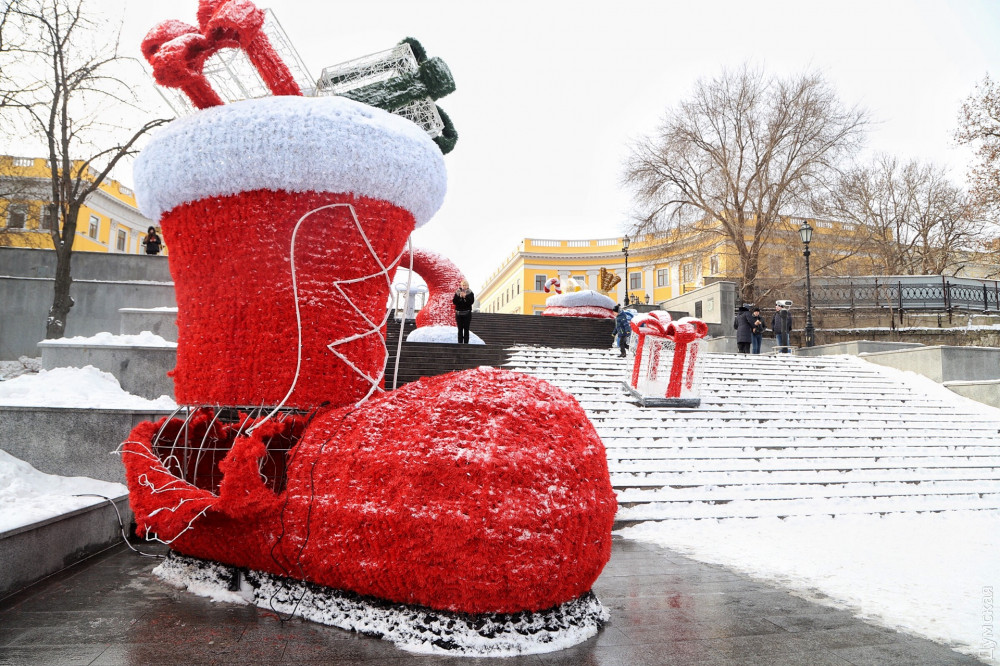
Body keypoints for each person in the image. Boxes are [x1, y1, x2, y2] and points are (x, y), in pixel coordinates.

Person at [452, 279, 474, 344]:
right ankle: (460, 343)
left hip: (467, 313)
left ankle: (466, 343)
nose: (464, 286)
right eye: (463, 285)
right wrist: (459, 297)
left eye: (465, 285)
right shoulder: (457, 292)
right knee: (460, 329)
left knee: (466, 329)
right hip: (458, 313)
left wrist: (465, 297)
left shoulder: (470, 293)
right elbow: (454, 302)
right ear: (461, 285)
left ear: (467, 286)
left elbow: (471, 302)